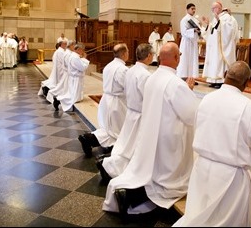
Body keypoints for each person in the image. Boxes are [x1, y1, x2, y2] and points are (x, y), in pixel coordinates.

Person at [172, 61, 251, 227]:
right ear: (246, 83)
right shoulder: (250, 109)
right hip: (230, 179)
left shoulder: (205, 100)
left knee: (199, 216)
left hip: (202, 170)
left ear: (226, 74)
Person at [102, 42, 199, 216]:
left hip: (152, 134)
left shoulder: (153, 77)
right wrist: (189, 90)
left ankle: (131, 194)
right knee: (168, 184)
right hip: (169, 139)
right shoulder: (175, 83)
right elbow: (191, 114)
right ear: (176, 58)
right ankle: (131, 197)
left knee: (153, 174)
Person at [97, 43, 154, 182]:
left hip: (130, 111)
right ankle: (110, 166)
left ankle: (109, 163)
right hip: (138, 114)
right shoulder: (144, 75)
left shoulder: (131, 70)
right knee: (132, 147)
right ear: (149, 56)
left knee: (125, 144)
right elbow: (148, 97)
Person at [78, 43, 129, 158]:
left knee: (109, 129)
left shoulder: (108, 66)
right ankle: (113, 154)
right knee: (118, 131)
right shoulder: (123, 69)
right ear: (124, 54)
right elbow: (126, 88)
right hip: (117, 103)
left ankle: (89, 138)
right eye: (128, 52)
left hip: (106, 100)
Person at [201, 1, 237, 88]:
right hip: (213, 46)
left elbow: (229, 30)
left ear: (219, 8)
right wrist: (208, 25)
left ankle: (221, 81)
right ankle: (213, 80)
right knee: (214, 62)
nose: (212, 10)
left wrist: (219, 21)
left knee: (219, 62)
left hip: (221, 47)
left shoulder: (227, 17)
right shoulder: (216, 18)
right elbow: (212, 32)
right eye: (212, 8)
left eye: (214, 8)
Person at [53, 42, 89, 112]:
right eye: (82, 50)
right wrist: (84, 58)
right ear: (78, 49)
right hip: (75, 78)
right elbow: (82, 67)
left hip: (74, 78)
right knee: (73, 97)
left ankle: (59, 100)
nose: (83, 52)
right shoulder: (75, 57)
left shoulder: (74, 55)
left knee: (73, 95)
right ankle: (58, 100)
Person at [177, 3, 202, 83]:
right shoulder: (184, 20)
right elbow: (183, 32)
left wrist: (199, 29)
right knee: (185, 59)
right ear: (187, 9)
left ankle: (192, 77)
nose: (194, 10)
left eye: (194, 9)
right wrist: (193, 30)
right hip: (186, 43)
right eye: (192, 9)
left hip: (193, 42)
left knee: (193, 60)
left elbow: (199, 31)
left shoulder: (195, 20)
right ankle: (183, 76)